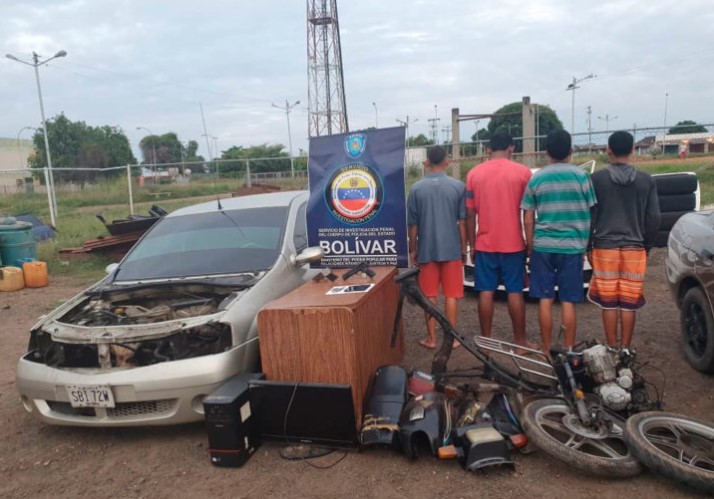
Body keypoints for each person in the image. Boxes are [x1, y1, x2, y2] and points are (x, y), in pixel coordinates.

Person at [521, 130, 596, 353]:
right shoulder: (582, 177)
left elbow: (527, 215)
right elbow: (592, 211)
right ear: (571, 151)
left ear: (546, 152)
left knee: (545, 299)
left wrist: (530, 245)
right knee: (568, 300)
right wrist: (585, 244)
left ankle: (545, 350)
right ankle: (569, 349)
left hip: (543, 246)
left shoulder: (537, 178)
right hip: (573, 247)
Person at [588, 131, 661, 348]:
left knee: (609, 303)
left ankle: (611, 348)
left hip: (604, 248)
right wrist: (646, 245)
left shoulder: (596, 180)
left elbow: (591, 216)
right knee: (629, 304)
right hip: (635, 248)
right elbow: (654, 218)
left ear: (608, 150)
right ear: (632, 150)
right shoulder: (646, 181)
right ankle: (625, 350)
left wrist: (588, 245)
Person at [465, 132, 532, 347]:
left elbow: (469, 214)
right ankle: (520, 343)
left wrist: (471, 244)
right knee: (515, 292)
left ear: (488, 149)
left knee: (485, 291)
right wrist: (529, 244)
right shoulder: (523, 173)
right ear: (512, 148)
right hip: (513, 244)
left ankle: (486, 342)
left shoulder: (474, 174)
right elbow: (527, 214)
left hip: (485, 243)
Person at [407, 145, 467, 349]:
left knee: (429, 296)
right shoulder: (458, 186)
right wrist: (464, 248)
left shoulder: (415, 189)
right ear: (447, 161)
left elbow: (413, 225)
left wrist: (413, 249)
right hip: (451, 249)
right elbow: (462, 221)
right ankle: (452, 339)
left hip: (427, 250)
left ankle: (432, 339)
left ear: (427, 162)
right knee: (451, 295)